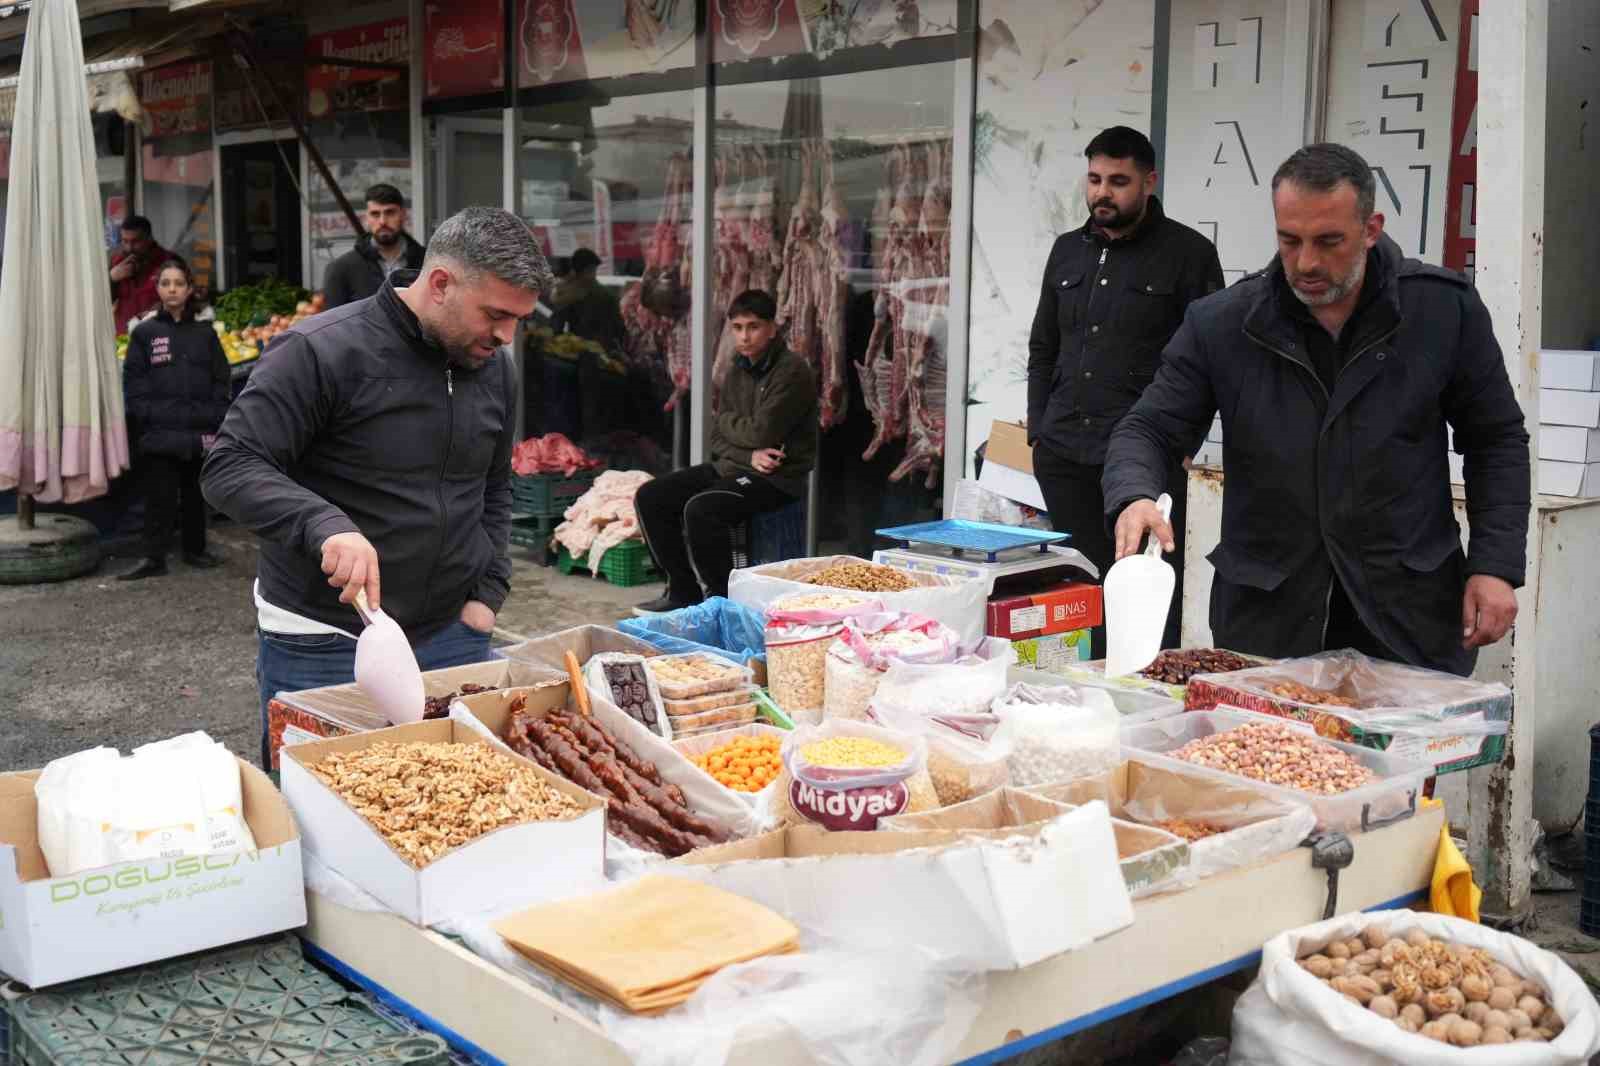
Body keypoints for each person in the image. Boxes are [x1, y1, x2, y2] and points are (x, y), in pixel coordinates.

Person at [1104, 143, 1530, 676]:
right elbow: (1148, 427)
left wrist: (1495, 564)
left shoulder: (1443, 310)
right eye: (1290, 240)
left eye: (1329, 241)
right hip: (1269, 618)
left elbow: (1496, 439)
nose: (1306, 262)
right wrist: (1136, 494)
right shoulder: (1222, 324)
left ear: (1370, 228)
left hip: (1407, 613)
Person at [202, 207, 550, 767]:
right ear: (440, 284)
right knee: (316, 814)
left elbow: (493, 488)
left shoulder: (493, 368)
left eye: (518, 320)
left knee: (444, 811)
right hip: (322, 638)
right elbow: (230, 465)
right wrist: (322, 523)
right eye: (495, 315)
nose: (507, 337)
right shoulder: (319, 351)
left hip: (453, 633)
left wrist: (488, 593)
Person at [1027, 127, 1224, 654]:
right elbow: (1043, 347)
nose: (1102, 194)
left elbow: (1212, 363)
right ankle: (1085, 705)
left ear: (1149, 181)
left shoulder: (1189, 255)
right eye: (1094, 179)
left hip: (1144, 464)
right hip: (1064, 454)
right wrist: (1038, 431)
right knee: (1078, 593)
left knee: (1144, 598)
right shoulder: (1067, 251)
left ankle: (1145, 710)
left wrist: (1183, 447)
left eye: (1118, 181)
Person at [633, 289, 817, 612]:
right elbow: (716, 436)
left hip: (776, 479)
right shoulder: (737, 368)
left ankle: (721, 603)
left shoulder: (792, 371)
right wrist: (747, 453)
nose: (744, 336)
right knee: (651, 496)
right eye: (737, 328)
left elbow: (764, 430)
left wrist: (733, 430)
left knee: (702, 509)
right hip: (737, 466)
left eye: (753, 327)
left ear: (772, 328)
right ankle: (682, 590)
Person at [119, 259, 231, 581]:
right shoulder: (144, 333)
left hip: (199, 431)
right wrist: (148, 416)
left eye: (178, 283)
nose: (172, 289)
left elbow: (220, 379)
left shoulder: (205, 333)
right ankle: (153, 557)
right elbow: (134, 383)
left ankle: (195, 551)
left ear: (189, 289)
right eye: (165, 283)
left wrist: (214, 415)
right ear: (157, 290)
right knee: (158, 497)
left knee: (197, 494)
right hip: (159, 433)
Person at [321, 184, 426, 309]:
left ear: (403, 214)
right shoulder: (341, 269)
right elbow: (334, 323)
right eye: (375, 214)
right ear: (367, 218)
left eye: (390, 212)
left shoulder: (427, 263)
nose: (382, 221)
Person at [550, 247, 624, 351]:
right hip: (584, 351)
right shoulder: (570, 295)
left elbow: (618, 327)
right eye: (590, 270)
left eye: (593, 270)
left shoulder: (604, 295)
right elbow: (557, 325)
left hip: (596, 351)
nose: (592, 275)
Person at [109, 215, 173, 335]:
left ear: (149, 238)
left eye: (135, 242)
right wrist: (111, 279)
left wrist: (163, 307)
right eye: (125, 241)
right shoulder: (116, 261)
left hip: (158, 338)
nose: (129, 247)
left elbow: (185, 300)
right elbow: (102, 301)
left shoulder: (169, 262)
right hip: (123, 338)